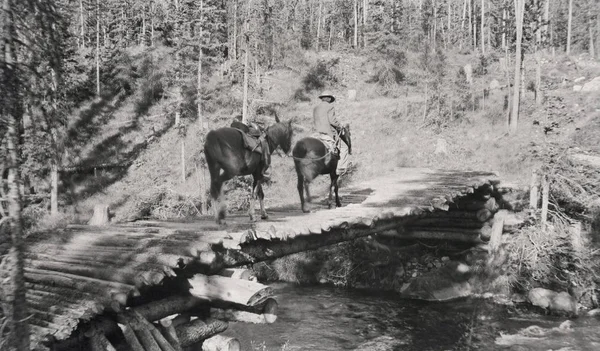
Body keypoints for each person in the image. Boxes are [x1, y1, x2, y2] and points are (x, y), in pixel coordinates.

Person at [312, 91, 349, 176]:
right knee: (344, 147)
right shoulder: (330, 106)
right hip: (328, 133)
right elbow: (332, 121)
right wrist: (340, 126)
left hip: (317, 132)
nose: (330, 99)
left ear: (322, 98)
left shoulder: (316, 108)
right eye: (330, 98)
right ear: (328, 98)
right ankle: (341, 168)